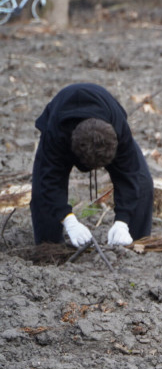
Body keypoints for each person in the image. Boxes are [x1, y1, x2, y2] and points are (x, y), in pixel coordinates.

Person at [30, 83, 153, 248]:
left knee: (143, 183)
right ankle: (49, 247)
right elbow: (50, 181)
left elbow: (130, 175)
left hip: (108, 119)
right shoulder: (56, 135)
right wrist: (68, 219)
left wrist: (122, 221)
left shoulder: (118, 129)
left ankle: (134, 242)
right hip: (60, 122)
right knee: (41, 192)